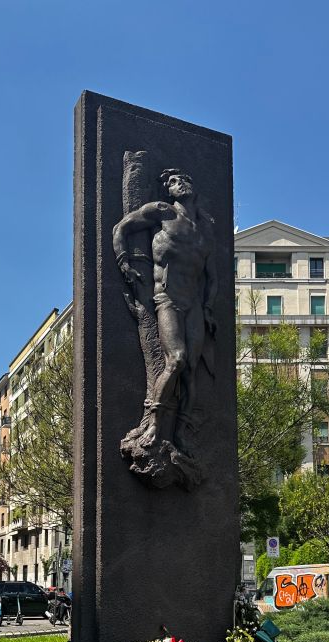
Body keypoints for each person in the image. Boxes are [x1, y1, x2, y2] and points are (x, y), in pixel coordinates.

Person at [112, 169, 218, 457]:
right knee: (177, 360)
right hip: (167, 298)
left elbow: (212, 276)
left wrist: (208, 308)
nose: (178, 183)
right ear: (167, 191)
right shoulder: (162, 212)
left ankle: (181, 432)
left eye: (183, 179)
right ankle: (154, 424)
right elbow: (121, 228)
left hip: (193, 304)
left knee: (191, 371)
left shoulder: (204, 229)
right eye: (172, 182)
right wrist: (123, 262)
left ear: (192, 186)